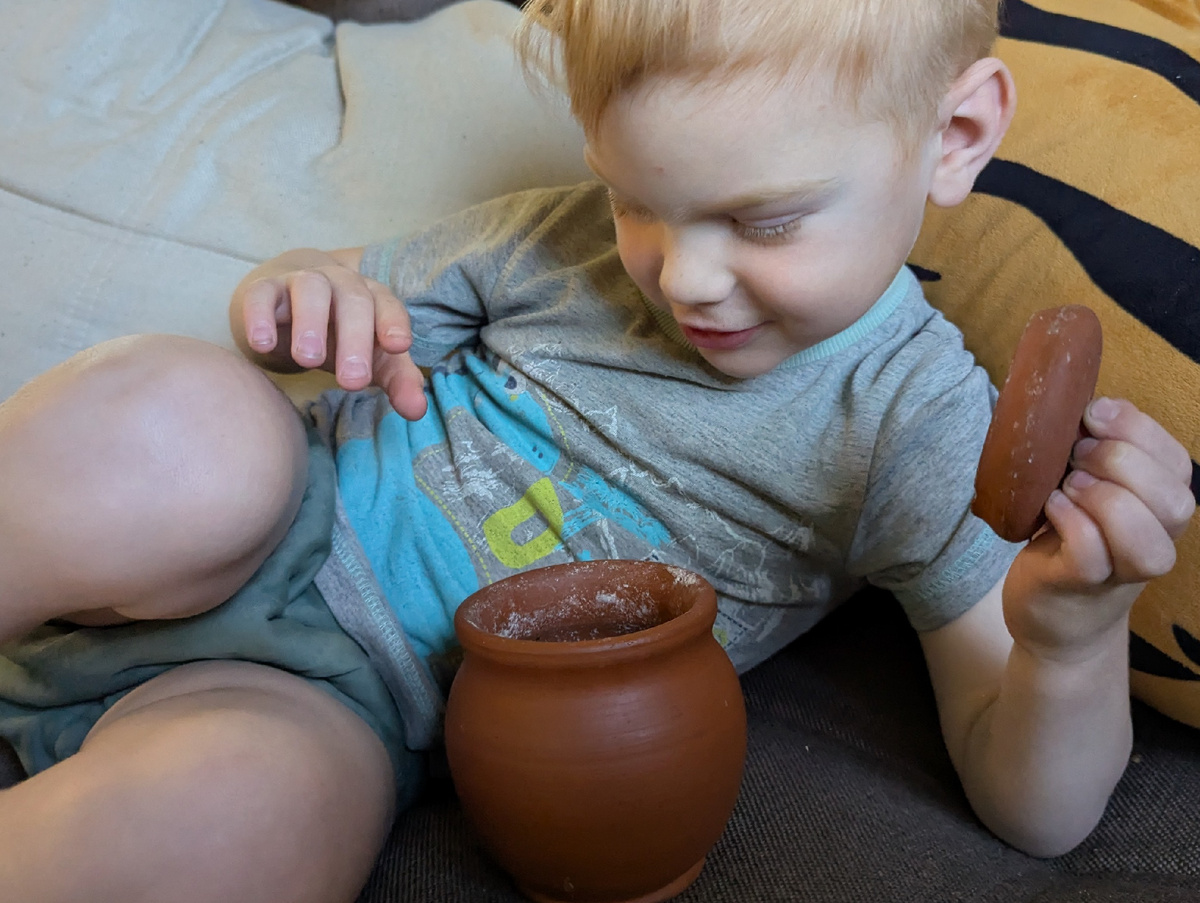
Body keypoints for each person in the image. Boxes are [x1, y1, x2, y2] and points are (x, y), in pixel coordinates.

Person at [0, 0, 1193, 900]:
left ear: (959, 132)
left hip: (335, 703)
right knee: (187, 423)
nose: (686, 276)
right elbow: (339, 291)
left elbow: (1037, 815)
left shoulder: (921, 429)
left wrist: (1072, 640)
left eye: (765, 219)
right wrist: (300, 291)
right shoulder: (552, 243)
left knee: (239, 826)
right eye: (635, 200)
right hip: (266, 524)